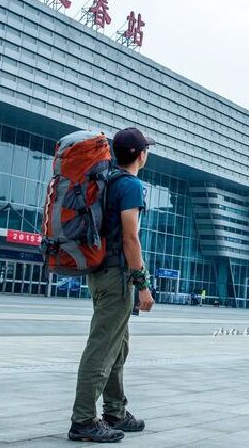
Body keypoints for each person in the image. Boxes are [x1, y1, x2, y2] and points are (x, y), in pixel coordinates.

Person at [68, 128, 156, 443]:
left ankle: (115, 412)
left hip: (100, 272)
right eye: (146, 149)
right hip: (117, 275)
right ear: (139, 154)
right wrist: (142, 284)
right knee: (103, 347)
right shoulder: (130, 185)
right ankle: (83, 421)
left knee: (118, 345)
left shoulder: (106, 182)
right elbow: (131, 237)